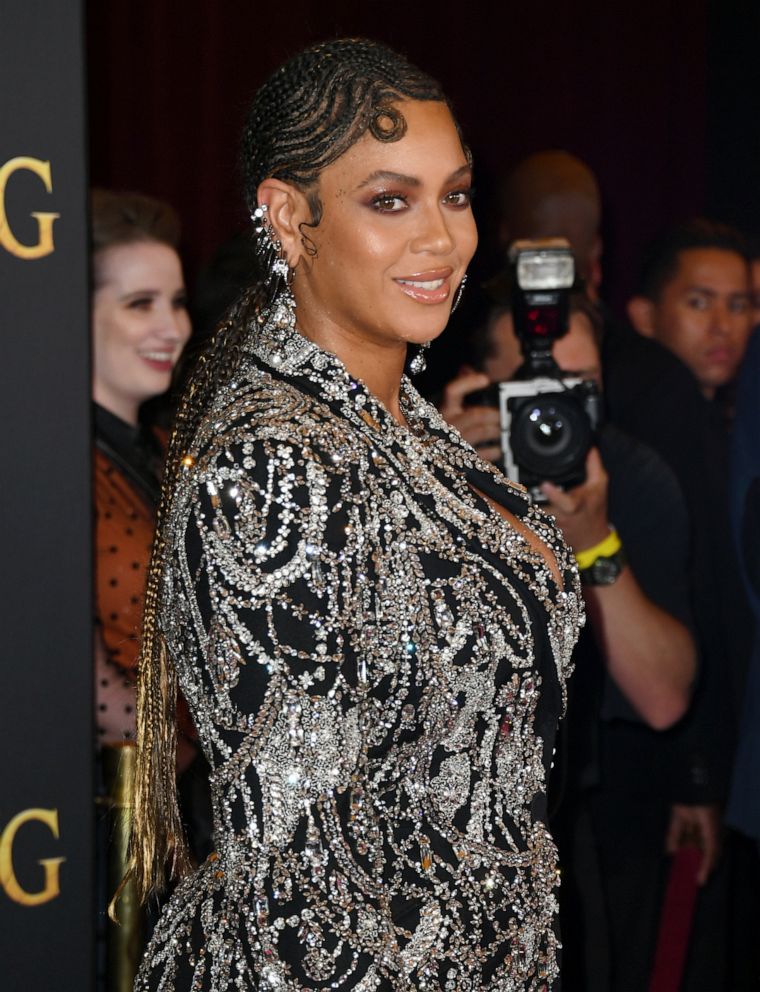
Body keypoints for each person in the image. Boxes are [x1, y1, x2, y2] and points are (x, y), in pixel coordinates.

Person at [128, 39, 583, 991]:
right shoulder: (271, 466)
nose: (442, 238)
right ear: (290, 219)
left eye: (454, 195)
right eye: (390, 201)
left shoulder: (408, 420)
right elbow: (296, 888)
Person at [442, 293, 696, 989]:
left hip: (566, 818)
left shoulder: (628, 478)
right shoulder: (433, 467)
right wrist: (437, 475)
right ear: (481, 385)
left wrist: (594, 544)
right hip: (431, 827)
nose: (555, 410)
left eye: (579, 386)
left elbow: (665, 700)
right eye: (535, 386)